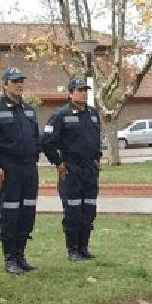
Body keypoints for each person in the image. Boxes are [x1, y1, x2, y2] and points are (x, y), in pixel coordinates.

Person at [0, 67, 41, 275]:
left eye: (21, 81)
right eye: (15, 81)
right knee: (10, 212)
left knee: (27, 211)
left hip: (29, 168)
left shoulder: (29, 109)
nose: (19, 84)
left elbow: (35, 137)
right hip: (7, 168)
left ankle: (21, 255)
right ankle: (9, 258)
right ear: (5, 84)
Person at [40, 76, 103, 261]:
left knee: (88, 209)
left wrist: (97, 158)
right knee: (73, 211)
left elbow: (95, 139)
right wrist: (58, 162)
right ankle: (73, 250)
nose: (83, 93)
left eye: (85, 90)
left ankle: (84, 247)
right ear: (70, 93)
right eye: (79, 90)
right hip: (71, 169)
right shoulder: (61, 115)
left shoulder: (92, 114)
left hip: (89, 169)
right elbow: (46, 141)